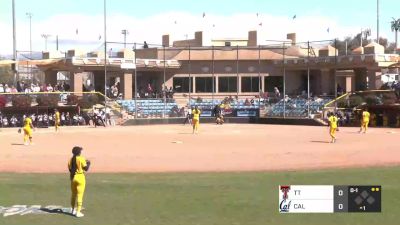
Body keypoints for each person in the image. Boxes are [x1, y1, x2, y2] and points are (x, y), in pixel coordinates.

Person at [68, 146, 91, 218]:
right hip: (80, 178)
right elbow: (86, 168)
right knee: (80, 195)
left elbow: (70, 169)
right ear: (79, 152)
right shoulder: (81, 159)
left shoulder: (70, 160)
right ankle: (78, 212)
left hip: (73, 178)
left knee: (73, 195)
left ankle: (72, 209)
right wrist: (89, 163)